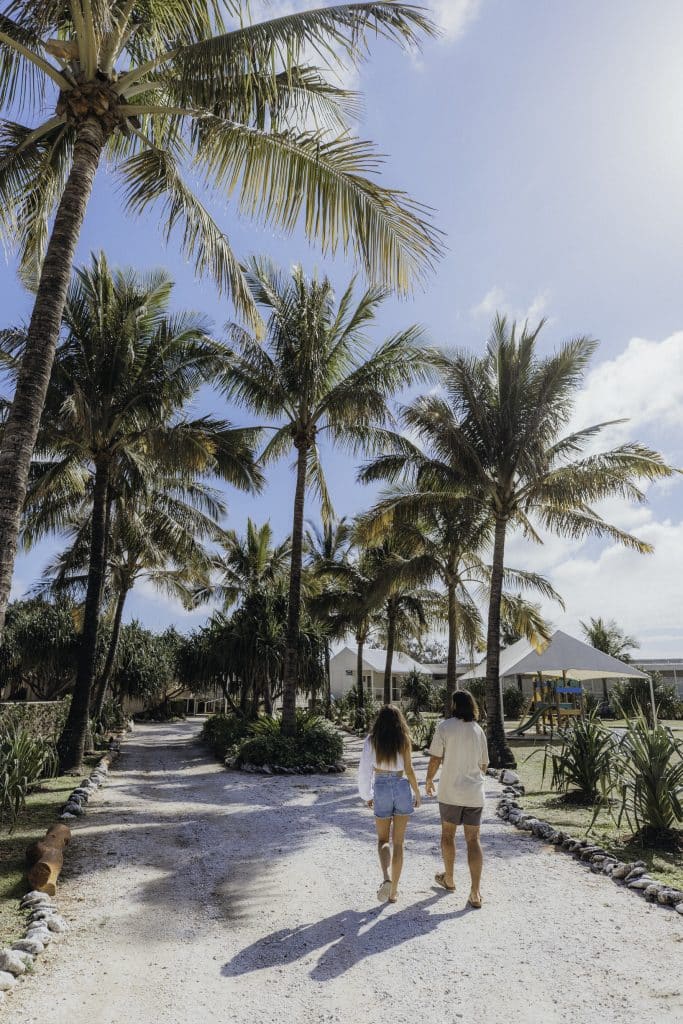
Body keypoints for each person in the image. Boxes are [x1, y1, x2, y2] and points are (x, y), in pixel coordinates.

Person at [425, 690, 489, 908]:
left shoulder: (445, 727)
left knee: (448, 835)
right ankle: (475, 892)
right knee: (473, 840)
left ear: (454, 705)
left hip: (450, 791)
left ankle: (449, 878)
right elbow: (484, 765)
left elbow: (435, 758)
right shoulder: (478, 730)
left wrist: (429, 780)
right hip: (474, 793)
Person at [358, 705, 422, 903]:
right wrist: (417, 793)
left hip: (382, 787)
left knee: (383, 840)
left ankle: (386, 878)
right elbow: (409, 770)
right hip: (401, 785)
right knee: (399, 843)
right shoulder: (404, 739)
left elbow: (364, 770)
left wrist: (366, 795)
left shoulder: (371, 740)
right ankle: (393, 892)